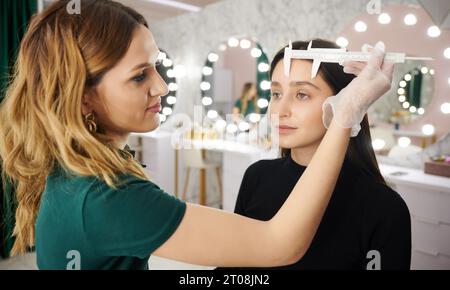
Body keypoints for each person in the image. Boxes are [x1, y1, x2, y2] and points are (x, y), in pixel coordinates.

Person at [0, 1, 394, 270]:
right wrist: (346, 115)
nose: (162, 87)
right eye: (140, 75)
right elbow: (278, 243)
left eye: (156, 66)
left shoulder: (80, 172)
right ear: (84, 98)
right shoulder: (107, 197)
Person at [220, 40, 411, 270]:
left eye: (302, 95)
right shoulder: (257, 176)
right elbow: (234, 264)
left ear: (344, 101)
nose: (279, 111)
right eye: (276, 93)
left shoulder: (383, 207)